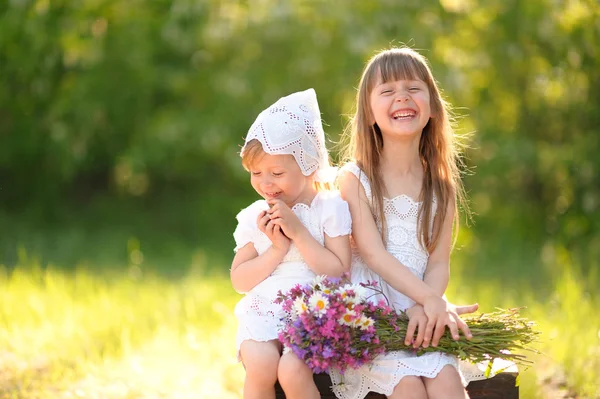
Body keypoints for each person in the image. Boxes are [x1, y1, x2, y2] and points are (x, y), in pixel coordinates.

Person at [329, 47, 479, 399]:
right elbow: (374, 254)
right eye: (387, 91)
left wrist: (428, 306)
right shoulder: (355, 179)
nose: (402, 97)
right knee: (409, 388)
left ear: (432, 106)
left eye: (413, 88)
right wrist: (431, 301)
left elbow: (439, 262)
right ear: (369, 111)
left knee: (446, 381)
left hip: (420, 314)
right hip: (373, 317)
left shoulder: (440, 186)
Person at [230, 88, 352, 399]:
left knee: (291, 370)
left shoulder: (329, 207)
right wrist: (277, 250)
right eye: (256, 173)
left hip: (313, 313)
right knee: (261, 365)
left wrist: (298, 233)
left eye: (277, 173)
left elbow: (338, 270)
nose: (265, 183)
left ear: (309, 165)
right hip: (265, 311)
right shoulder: (256, 216)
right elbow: (239, 280)